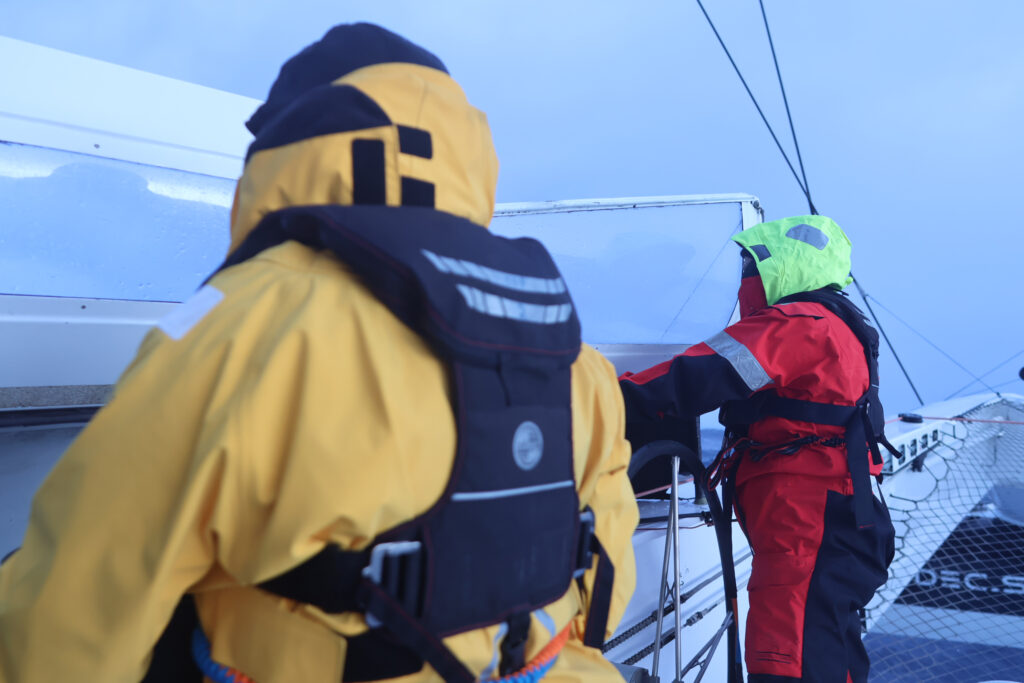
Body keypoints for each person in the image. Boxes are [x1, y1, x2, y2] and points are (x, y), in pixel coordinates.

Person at [0, 23, 638, 683]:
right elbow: (607, 575)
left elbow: (68, 622)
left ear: (287, 150)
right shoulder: (565, 345)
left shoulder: (240, 329)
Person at [620, 215, 896, 683]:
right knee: (825, 650)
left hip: (810, 523)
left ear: (782, 267)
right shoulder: (835, 327)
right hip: (834, 517)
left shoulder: (799, 324)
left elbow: (698, 376)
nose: (745, 279)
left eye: (751, 267)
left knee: (788, 659)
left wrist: (601, 394)